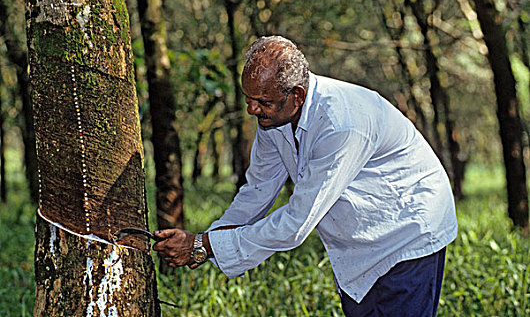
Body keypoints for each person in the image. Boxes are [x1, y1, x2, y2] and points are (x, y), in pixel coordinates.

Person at [153, 35, 458, 316]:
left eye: (262, 101)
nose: (251, 109)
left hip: (408, 230)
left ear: (297, 95)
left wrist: (205, 245)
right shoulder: (275, 118)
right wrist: (206, 243)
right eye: (248, 97)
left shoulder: (342, 123)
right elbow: (258, 189)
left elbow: (297, 223)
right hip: (360, 238)